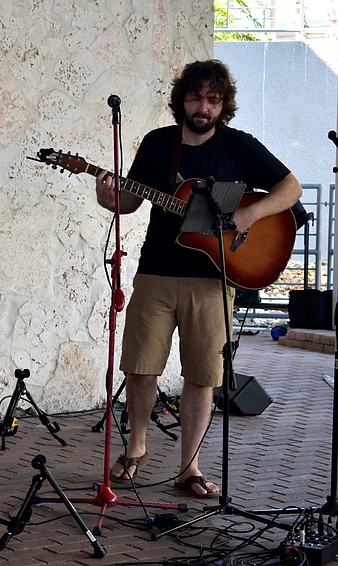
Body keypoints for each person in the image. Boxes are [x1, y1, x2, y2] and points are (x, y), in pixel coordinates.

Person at [95, 60, 302, 497]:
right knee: (140, 366)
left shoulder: (240, 147)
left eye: (212, 99)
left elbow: (291, 188)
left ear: (223, 104)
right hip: (157, 271)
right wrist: (108, 196)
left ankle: (189, 467)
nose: (202, 106)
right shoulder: (158, 144)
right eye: (195, 97)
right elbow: (130, 202)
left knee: (202, 375)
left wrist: (249, 213)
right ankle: (136, 448)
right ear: (181, 100)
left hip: (215, 277)